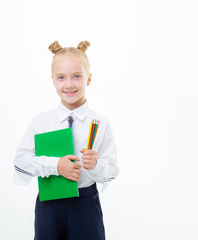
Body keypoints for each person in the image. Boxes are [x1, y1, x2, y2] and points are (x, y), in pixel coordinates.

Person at [13, 40, 119, 240]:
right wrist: (55, 165)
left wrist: (95, 165)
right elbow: (21, 161)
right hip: (50, 204)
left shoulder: (101, 123)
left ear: (89, 79)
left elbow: (112, 170)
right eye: (61, 77)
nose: (69, 84)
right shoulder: (41, 121)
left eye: (77, 76)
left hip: (85, 204)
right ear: (53, 80)